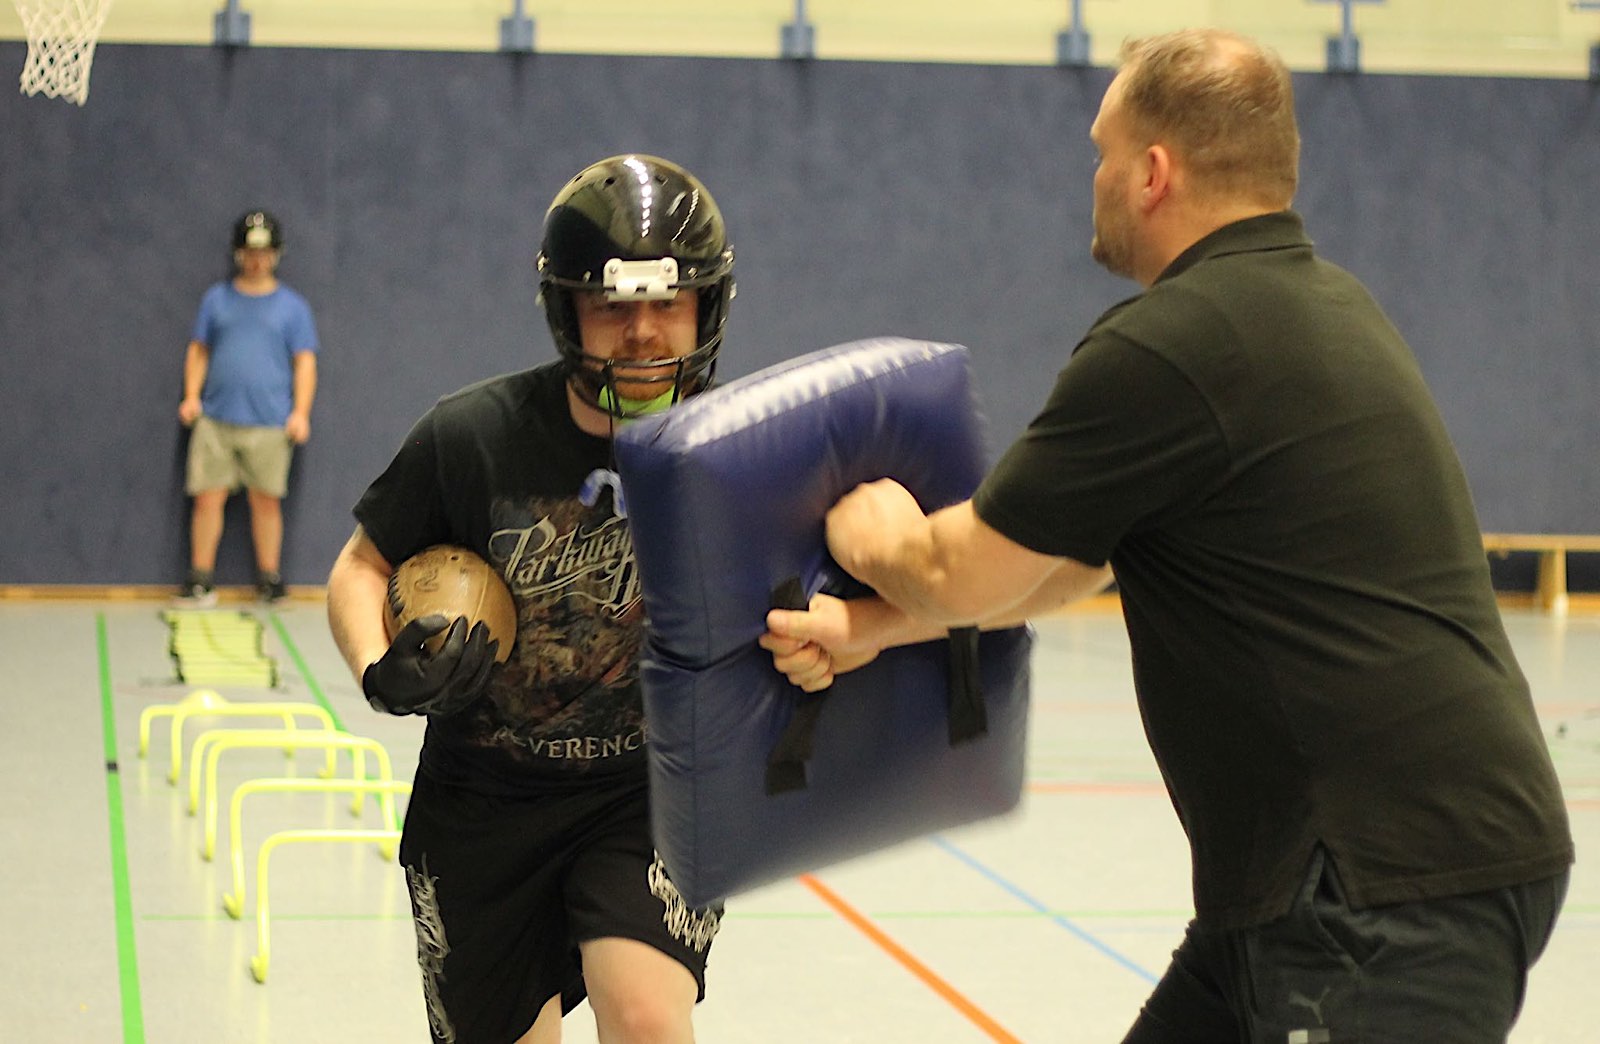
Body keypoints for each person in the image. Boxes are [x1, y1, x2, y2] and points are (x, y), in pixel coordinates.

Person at [761, 29, 1573, 1044]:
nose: (1092, 178)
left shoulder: (1173, 343)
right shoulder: (1315, 305)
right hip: (1327, 880)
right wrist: (872, 629)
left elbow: (957, 570)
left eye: (1102, 153)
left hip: (1376, 890)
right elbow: (1066, 567)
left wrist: (875, 534)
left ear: (1152, 173)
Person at [326, 154, 733, 1044]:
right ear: (566, 315)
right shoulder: (470, 437)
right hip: (480, 804)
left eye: (667, 303)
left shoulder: (740, 444)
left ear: (707, 307)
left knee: (647, 1015)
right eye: (612, 308)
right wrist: (378, 670)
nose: (643, 334)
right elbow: (359, 568)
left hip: (649, 791)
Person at [176, 209, 319, 605]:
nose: (257, 260)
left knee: (266, 500)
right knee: (208, 498)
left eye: (265, 252)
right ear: (238, 254)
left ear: (276, 254)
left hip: (270, 422)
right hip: (217, 419)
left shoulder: (293, 308)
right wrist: (191, 396)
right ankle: (200, 577)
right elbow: (199, 350)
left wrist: (300, 412)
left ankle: (268, 578)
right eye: (249, 252)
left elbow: (304, 361)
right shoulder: (216, 300)